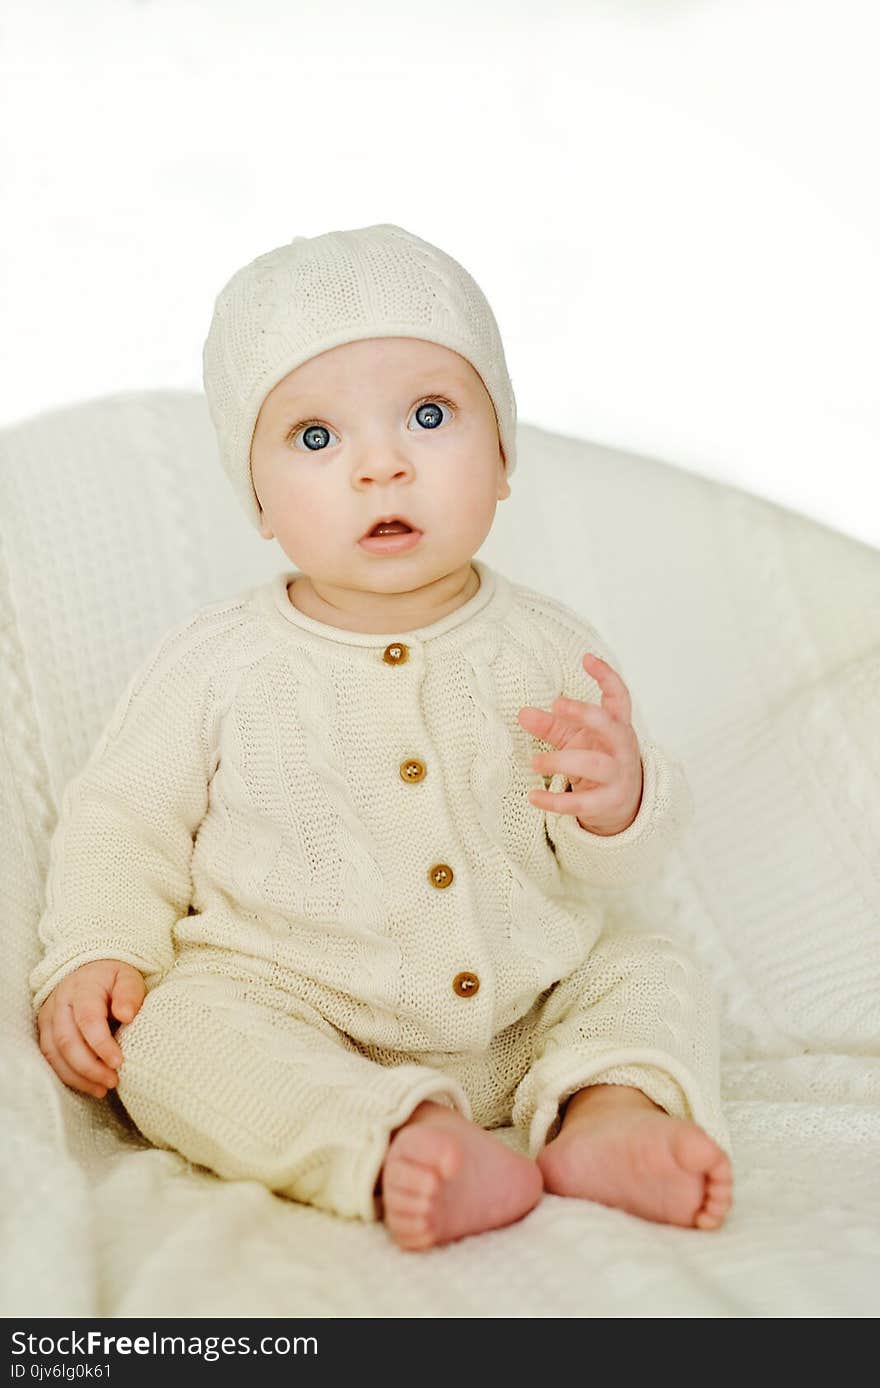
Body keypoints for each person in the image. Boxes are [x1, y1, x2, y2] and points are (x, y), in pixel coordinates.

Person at [31, 223, 733, 1252]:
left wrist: (619, 795)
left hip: (525, 997)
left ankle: (605, 1112)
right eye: (316, 438)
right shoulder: (217, 662)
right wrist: (98, 948)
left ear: (501, 458)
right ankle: (395, 1133)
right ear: (258, 497)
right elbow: (120, 818)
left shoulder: (544, 645)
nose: (382, 467)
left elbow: (608, 843)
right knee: (170, 1038)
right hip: (296, 1005)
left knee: (649, 966)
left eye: (430, 415)